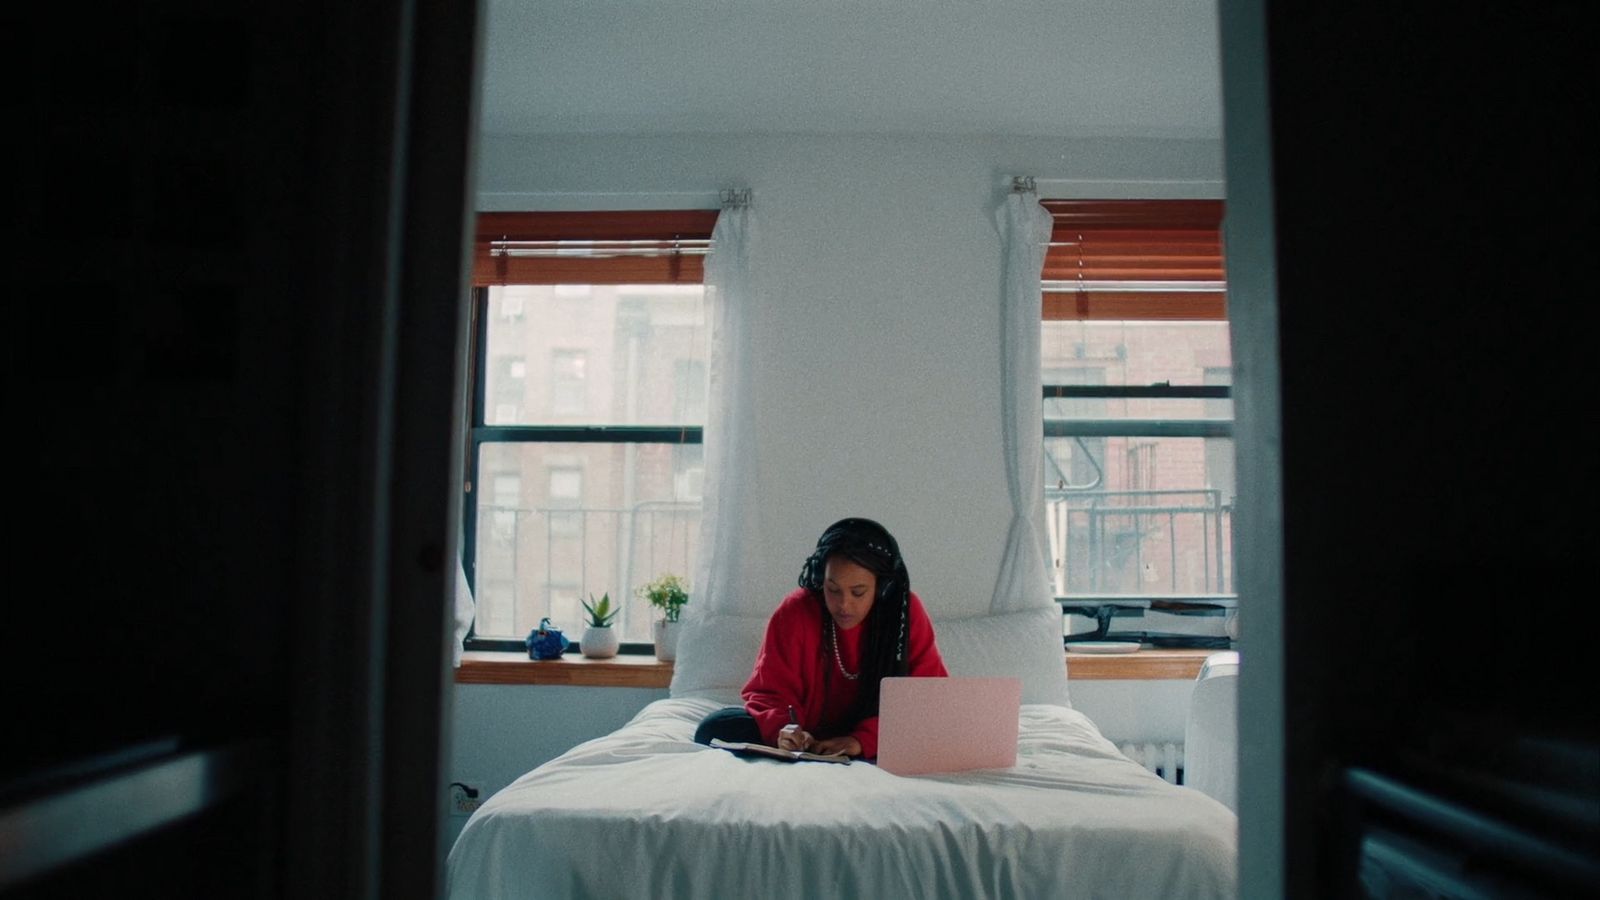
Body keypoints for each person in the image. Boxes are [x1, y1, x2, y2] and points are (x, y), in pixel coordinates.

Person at [694, 517, 948, 759]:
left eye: (858, 592)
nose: (844, 605)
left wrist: (861, 741)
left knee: (943, 727)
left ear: (882, 588)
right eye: (833, 589)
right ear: (820, 580)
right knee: (714, 728)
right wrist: (785, 729)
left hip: (880, 733)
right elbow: (769, 690)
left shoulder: (906, 612)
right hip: (807, 734)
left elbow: (928, 697)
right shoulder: (795, 611)